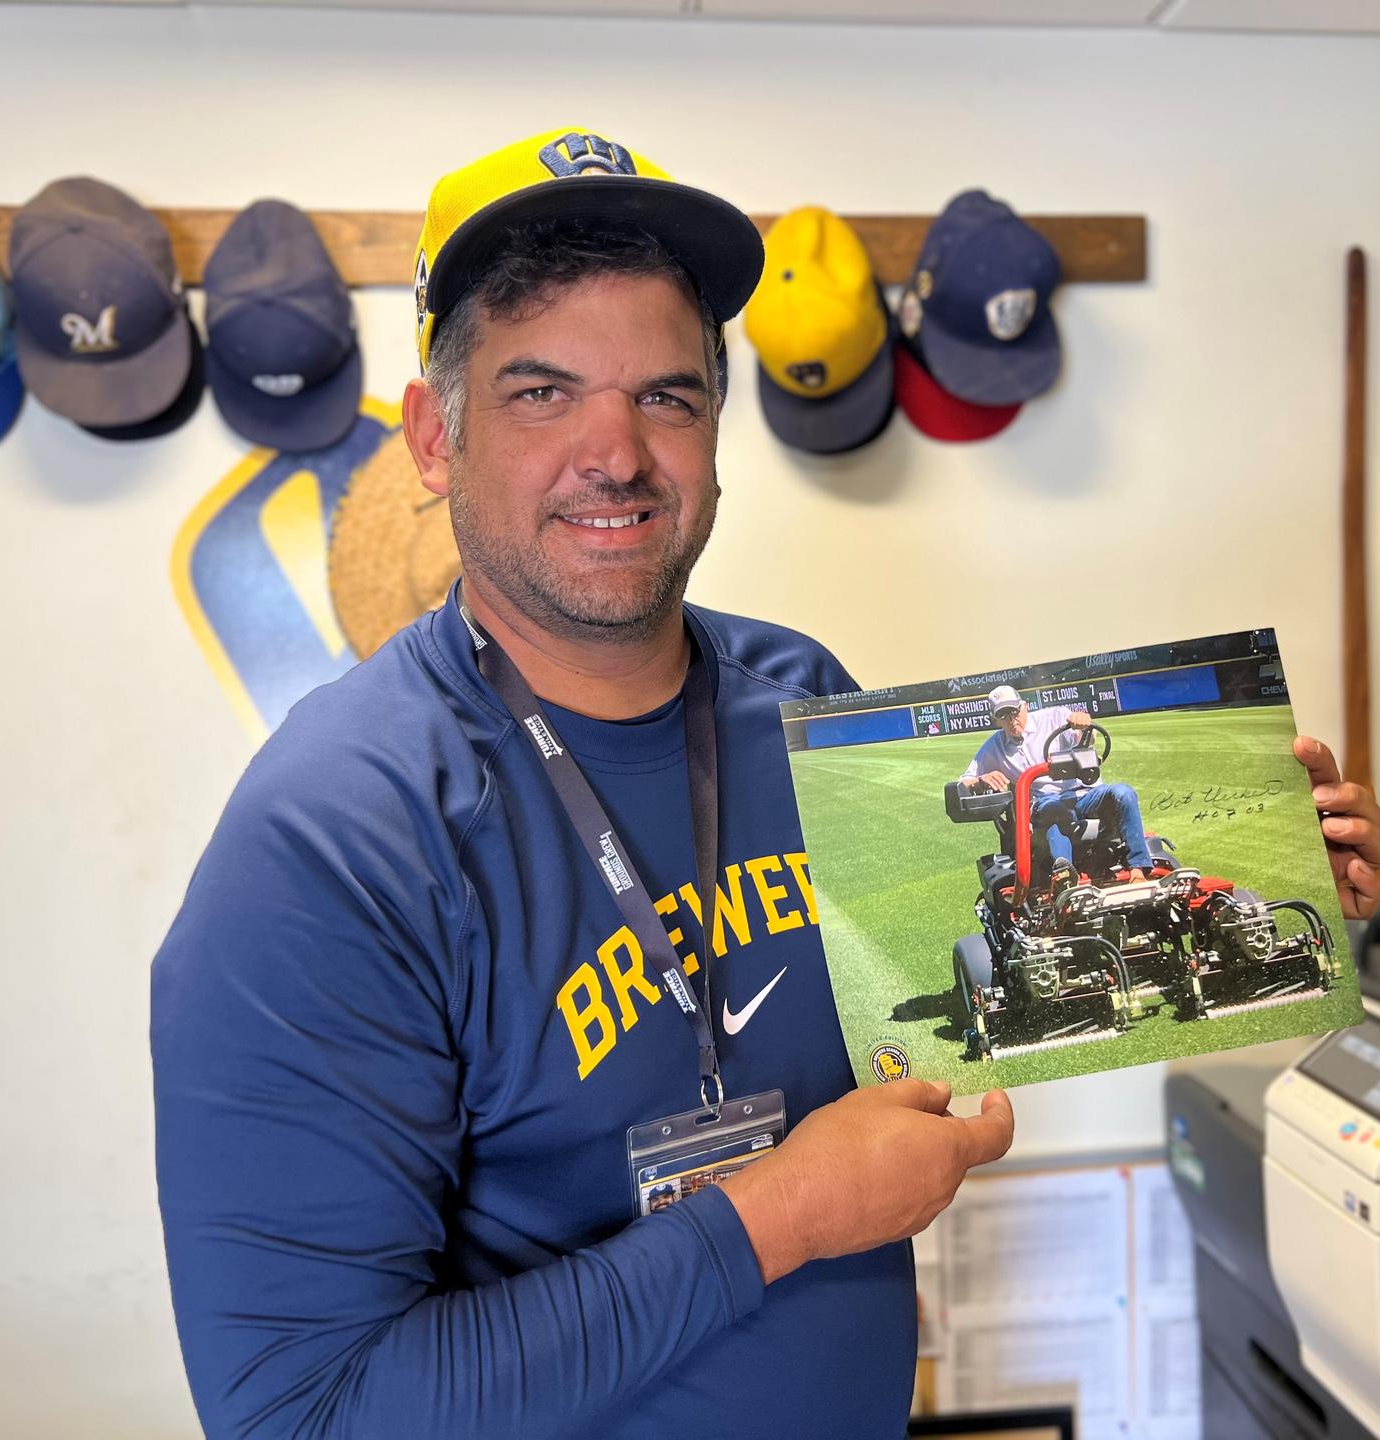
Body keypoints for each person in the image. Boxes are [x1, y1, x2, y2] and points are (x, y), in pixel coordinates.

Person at [151, 129, 1017, 1440]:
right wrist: (781, 1215)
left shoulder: (807, 698)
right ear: (436, 439)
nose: (616, 453)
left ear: (717, 434)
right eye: (542, 392)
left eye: (666, 396)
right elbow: (305, 1414)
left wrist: (1241, 860)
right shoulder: (334, 838)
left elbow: (954, 979)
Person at [960, 684, 1155, 882]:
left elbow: (1087, 738)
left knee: (1124, 793)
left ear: (1024, 706)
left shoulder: (1054, 717)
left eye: (1014, 711)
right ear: (996, 719)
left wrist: (1083, 724)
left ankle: (1138, 870)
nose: (1012, 720)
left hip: (1087, 793)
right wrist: (980, 780)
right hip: (1046, 802)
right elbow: (965, 780)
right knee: (1054, 808)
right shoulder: (995, 746)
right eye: (1003, 715)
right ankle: (1064, 874)